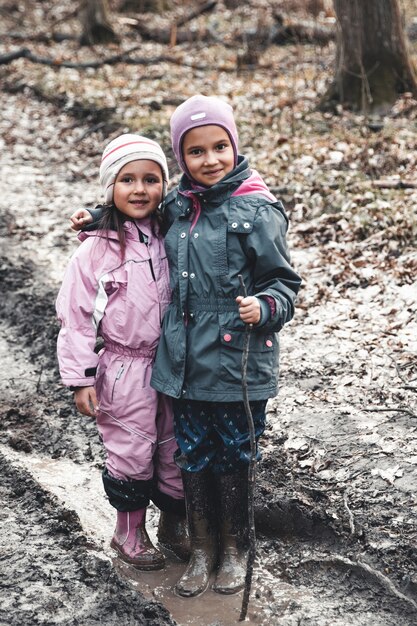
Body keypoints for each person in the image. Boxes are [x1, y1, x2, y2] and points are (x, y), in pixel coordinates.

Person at [71, 96, 301, 597]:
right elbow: (137, 211)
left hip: (239, 365)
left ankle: (235, 550)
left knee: (236, 452)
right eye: (196, 151)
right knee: (190, 453)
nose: (210, 159)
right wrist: (98, 215)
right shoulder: (179, 205)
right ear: (182, 159)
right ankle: (200, 549)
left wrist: (265, 307)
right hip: (184, 367)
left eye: (220, 146)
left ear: (234, 145)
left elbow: (284, 284)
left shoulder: (259, 209)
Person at [57, 134, 189, 571]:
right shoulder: (95, 250)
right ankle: (129, 532)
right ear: (110, 186)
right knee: (131, 450)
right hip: (123, 367)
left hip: (172, 363)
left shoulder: (172, 235)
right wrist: (80, 378)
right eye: (126, 179)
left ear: (163, 187)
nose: (139, 189)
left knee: (174, 448)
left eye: (151, 179)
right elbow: (75, 318)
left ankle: (175, 524)